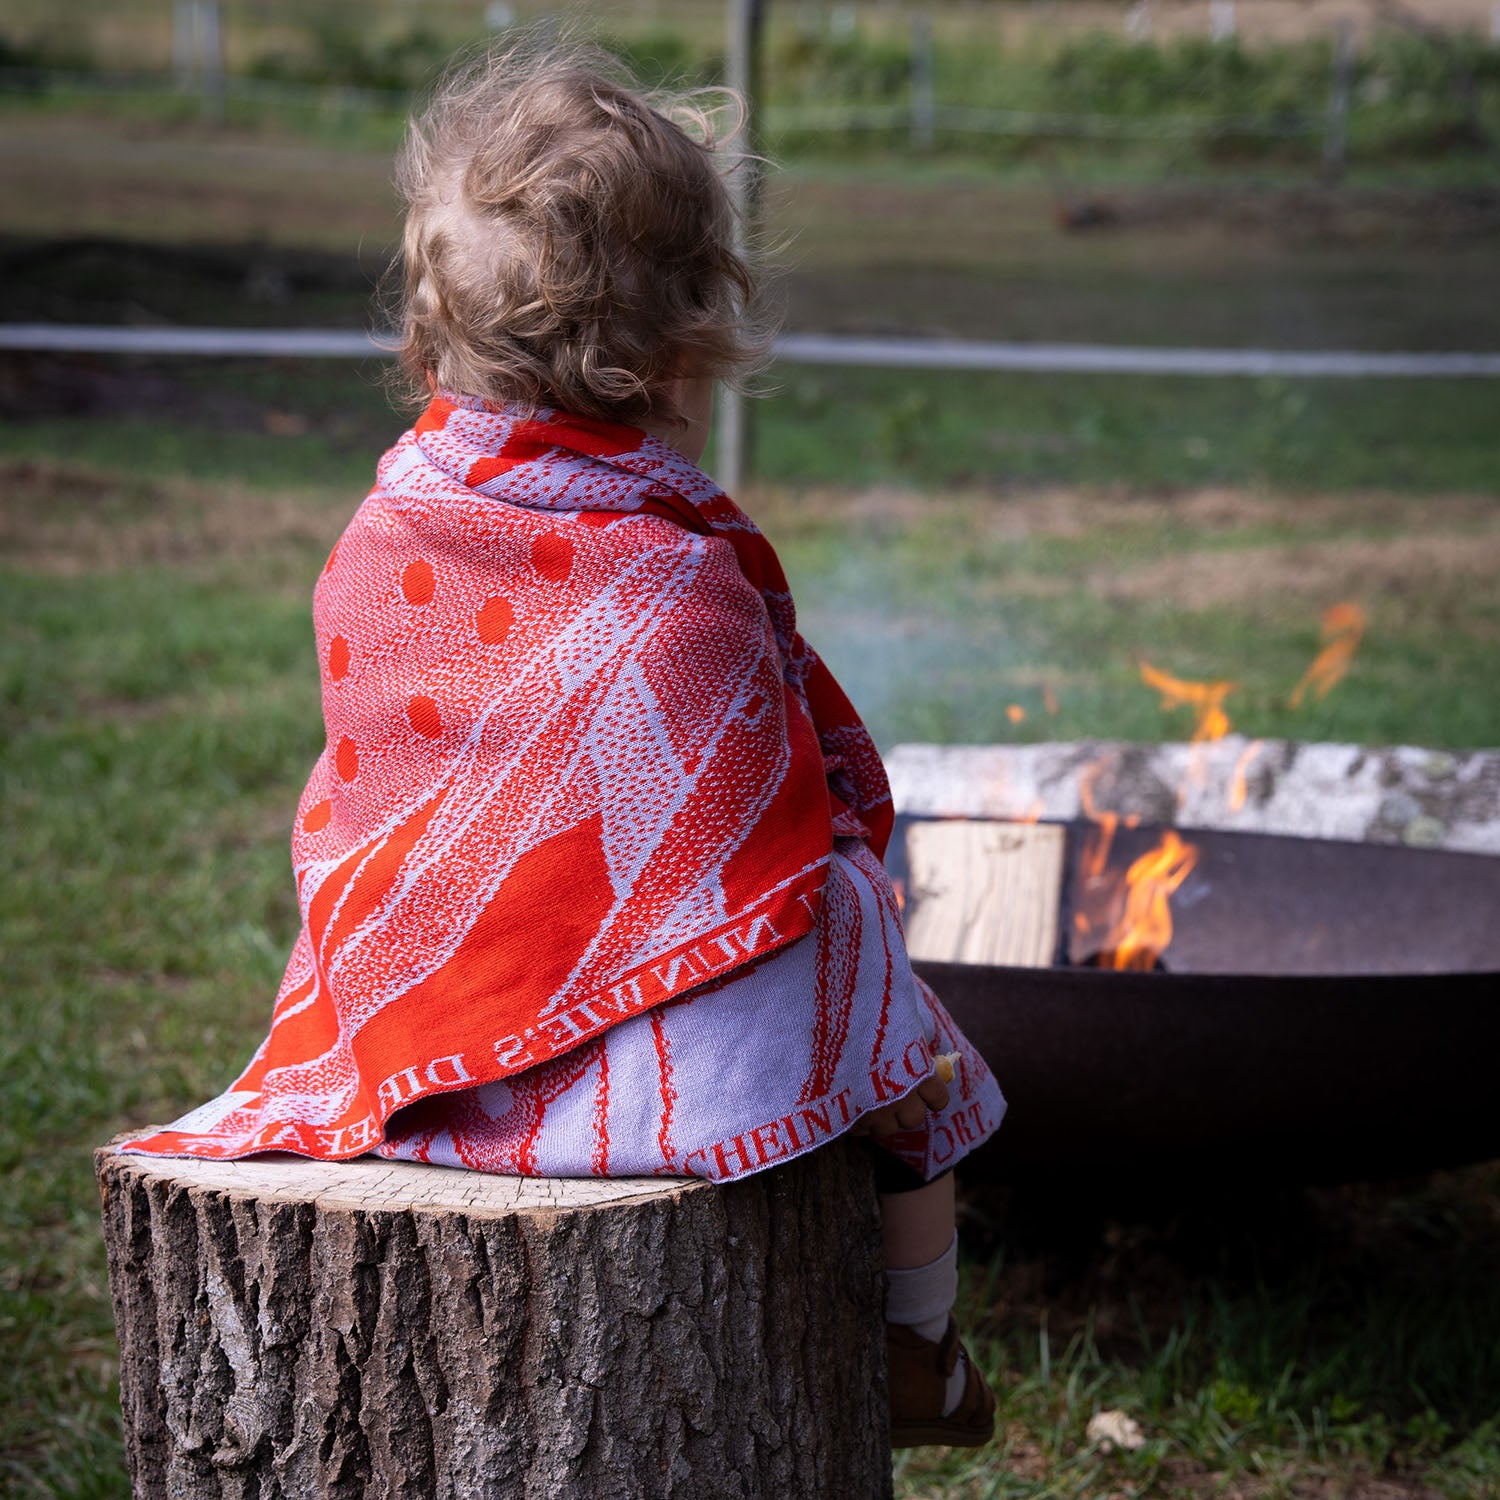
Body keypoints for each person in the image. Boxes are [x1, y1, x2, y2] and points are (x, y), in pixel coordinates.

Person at [121, 37, 1005, 1448]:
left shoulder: (373, 540)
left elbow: (376, 807)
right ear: (683, 351)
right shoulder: (681, 574)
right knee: (864, 954)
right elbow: (773, 833)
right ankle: (920, 1334)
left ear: (427, 332)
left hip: (422, 1057)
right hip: (672, 1098)